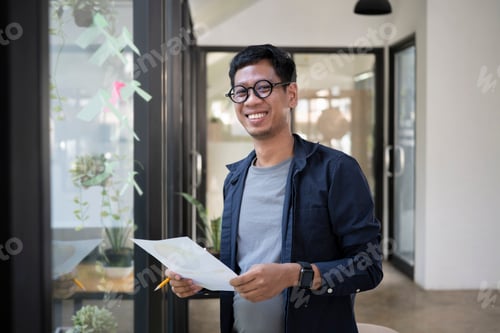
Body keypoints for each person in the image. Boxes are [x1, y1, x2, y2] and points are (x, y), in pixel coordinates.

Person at [166, 44, 383, 333]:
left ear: (291, 94)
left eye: (263, 87)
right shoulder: (236, 179)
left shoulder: (336, 170)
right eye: (241, 91)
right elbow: (242, 271)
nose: (251, 100)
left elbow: (368, 266)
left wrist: (295, 275)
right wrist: (197, 281)